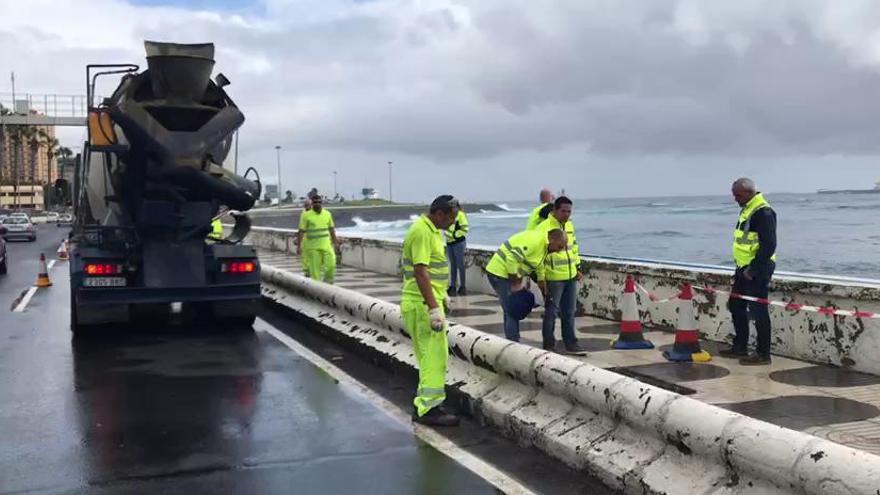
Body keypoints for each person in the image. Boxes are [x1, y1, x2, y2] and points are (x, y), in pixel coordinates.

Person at [401, 195, 459, 426]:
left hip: (426, 301)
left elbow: (431, 272)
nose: (453, 223)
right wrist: (434, 308)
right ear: (439, 214)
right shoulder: (422, 232)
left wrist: (441, 294)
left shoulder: (433, 231)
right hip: (421, 305)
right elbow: (420, 272)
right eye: (452, 218)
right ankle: (426, 409)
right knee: (433, 357)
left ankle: (430, 403)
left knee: (433, 356)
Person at [719, 178, 777, 366]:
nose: (735, 198)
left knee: (758, 310)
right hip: (743, 268)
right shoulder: (747, 209)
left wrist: (754, 269)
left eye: (738, 195)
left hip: (756, 270)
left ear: (749, 192)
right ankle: (740, 346)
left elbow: (769, 246)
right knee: (736, 305)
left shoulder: (763, 212)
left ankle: (763, 354)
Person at [485, 228, 567, 342]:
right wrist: (515, 283)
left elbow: (538, 266)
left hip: (507, 274)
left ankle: (512, 339)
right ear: (552, 240)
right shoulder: (535, 241)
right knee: (512, 309)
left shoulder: (544, 247)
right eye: (559, 247)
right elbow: (512, 258)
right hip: (499, 273)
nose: (560, 251)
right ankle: (513, 341)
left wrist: (542, 284)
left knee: (510, 308)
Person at [537, 197, 587, 355]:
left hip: (570, 275)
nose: (566, 214)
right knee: (551, 311)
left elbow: (574, 247)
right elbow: (539, 254)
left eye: (569, 211)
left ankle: (571, 343)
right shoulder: (544, 227)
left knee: (569, 311)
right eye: (563, 211)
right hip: (553, 277)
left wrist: (577, 267)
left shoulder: (570, 226)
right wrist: (542, 277)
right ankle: (549, 344)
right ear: (555, 210)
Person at [296, 195, 341, 283]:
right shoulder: (306, 215)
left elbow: (331, 229)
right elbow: (301, 231)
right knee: (315, 272)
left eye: (319, 202)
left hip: (326, 246)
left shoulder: (327, 214)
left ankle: (327, 285)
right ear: (312, 204)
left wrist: (335, 243)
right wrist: (299, 245)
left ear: (322, 203)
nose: (317, 204)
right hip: (313, 248)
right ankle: (317, 290)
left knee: (331, 266)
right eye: (315, 202)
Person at [445, 200, 469, 296]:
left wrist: (455, 235)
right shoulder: (448, 215)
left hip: (458, 242)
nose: (452, 208)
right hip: (449, 242)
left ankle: (463, 287)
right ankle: (452, 286)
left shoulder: (460, 215)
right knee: (453, 265)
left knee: (460, 265)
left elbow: (465, 228)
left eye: (453, 206)